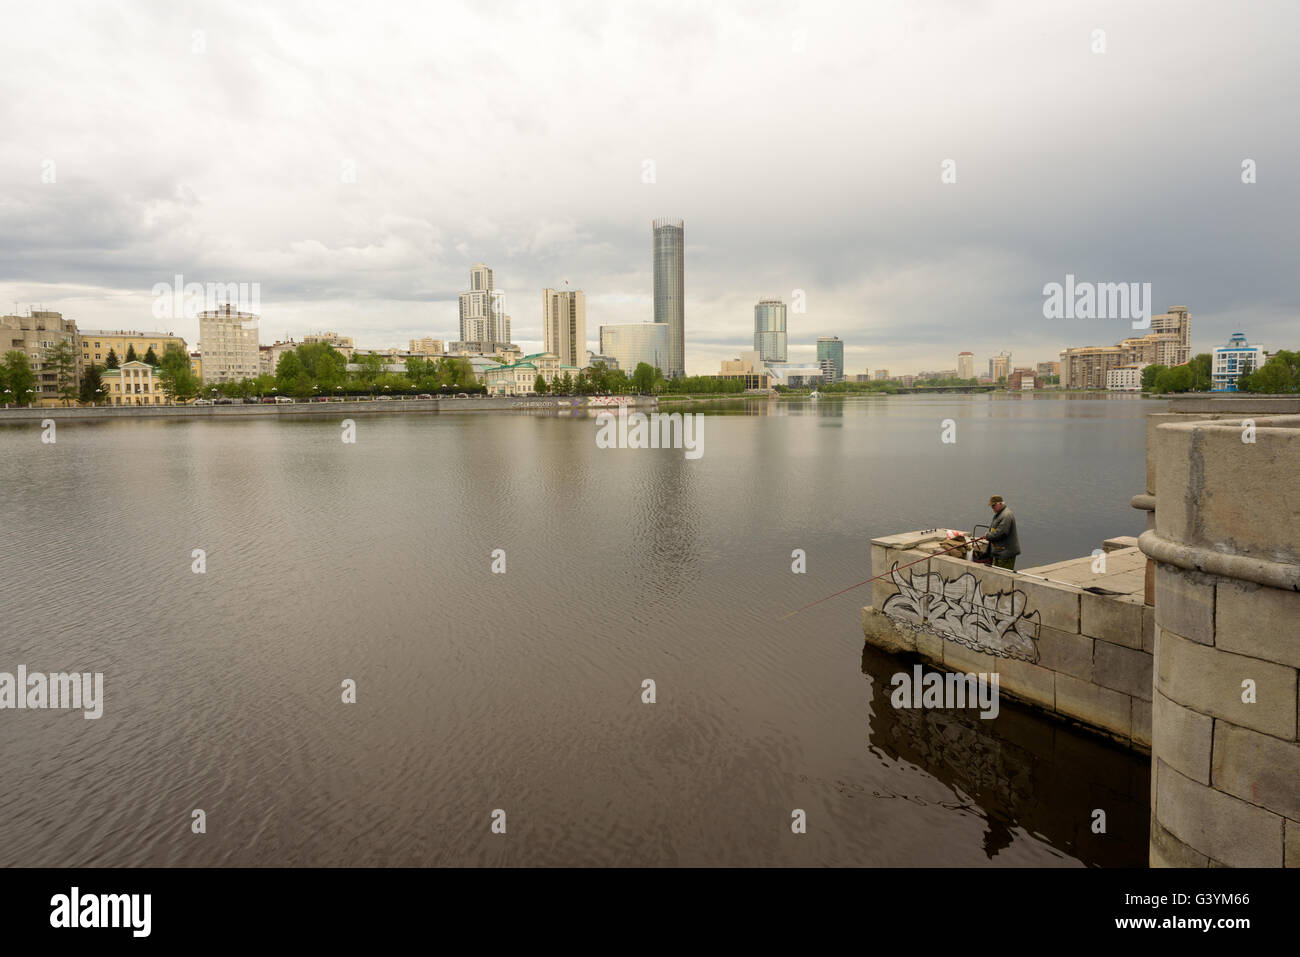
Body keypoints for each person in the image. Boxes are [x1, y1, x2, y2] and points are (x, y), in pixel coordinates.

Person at [984, 494, 1020, 570]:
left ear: (1000, 503)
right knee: (998, 573)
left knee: (1004, 575)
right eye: (991, 506)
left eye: (993, 505)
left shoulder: (1006, 515)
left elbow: (1001, 533)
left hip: (1006, 554)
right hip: (999, 552)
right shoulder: (1000, 514)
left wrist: (988, 536)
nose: (992, 508)